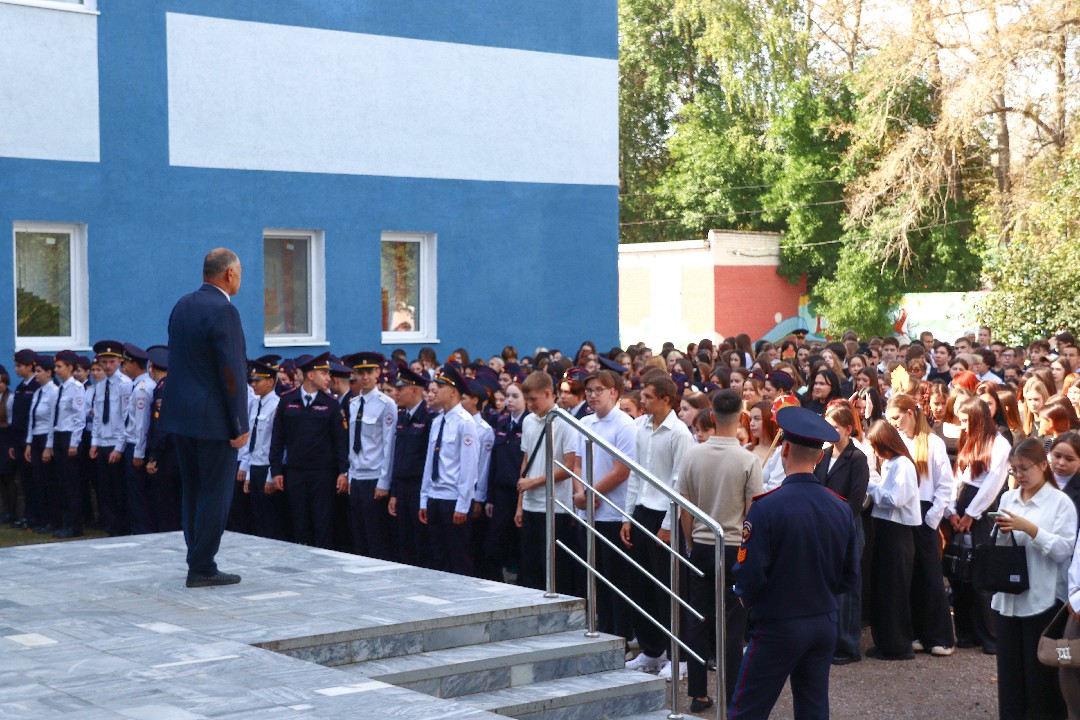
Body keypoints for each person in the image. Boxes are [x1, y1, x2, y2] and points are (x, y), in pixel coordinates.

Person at [728, 406, 858, 720]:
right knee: (813, 708)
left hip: (778, 622)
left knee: (747, 710)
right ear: (819, 457)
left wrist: (747, 598)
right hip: (823, 619)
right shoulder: (840, 508)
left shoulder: (766, 507)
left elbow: (749, 573)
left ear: (784, 450)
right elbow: (849, 574)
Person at [163, 249, 250, 586]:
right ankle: (202, 566)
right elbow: (231, 372)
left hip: (182, 417)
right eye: (239, 272)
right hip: (213, 420)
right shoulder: (224, 310)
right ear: (229, 273)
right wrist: (239, 423)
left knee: (193, 491)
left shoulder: (182, 305)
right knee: (215, 493)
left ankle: (196, 558)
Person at [677, 389, 762, 710]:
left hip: (701, 542)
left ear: (712, 415)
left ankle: (698, 692)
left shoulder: (693, 455)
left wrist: (690, 541)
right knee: (733, 623)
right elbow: (752, 512)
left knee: (698, 618)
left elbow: (685, 507)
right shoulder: (748, 460)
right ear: (740, 417)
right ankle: (732, 694)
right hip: (734, 545)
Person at [993, 439, 1076, 719]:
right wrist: (1002, 531)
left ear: (1042, 465)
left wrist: (1030, 529)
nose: (1019, 475)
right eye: (1014, 470)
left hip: (1043, 598)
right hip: (1008, 596)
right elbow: (1000, 547)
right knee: (1010, 675)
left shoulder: (1060, 502)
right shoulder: (1009, 498)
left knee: (1040, 676)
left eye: (1024, 468)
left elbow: (1063, 551)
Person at [623, 375, 694, 678]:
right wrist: (627, 517)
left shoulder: (679, 433)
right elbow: (635, 473)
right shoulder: (641, 426)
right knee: (641, 585)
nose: (643, 402)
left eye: (649, 397)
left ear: (666, 399)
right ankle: (652, 651)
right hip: (642, 511)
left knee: (670, 590)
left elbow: (678, 483)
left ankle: (680, 657)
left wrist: (667, 525)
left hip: (666, 516)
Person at [886, 393, 956, 657]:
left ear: (910, 413)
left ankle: (939, 636)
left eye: (896, 417)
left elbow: (945, 484)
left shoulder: (933, 442)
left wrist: (932, 518)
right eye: (890, 419)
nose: (894, 423)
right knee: (909, 573)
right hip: (904, 511)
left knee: (929, 573)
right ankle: (915, 632)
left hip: (925, 511)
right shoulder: (897, 442)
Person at [572, 369, 637, 640]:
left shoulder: (624, 424)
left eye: (599, 390)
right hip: (587, 510)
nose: (593, 395)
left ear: (614, 392)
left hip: (612, 512)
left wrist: (589, 493)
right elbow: (577, 464)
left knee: (616, 578)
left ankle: (621, 635)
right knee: (594, 575)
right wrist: (580, 492)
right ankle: (602, 628)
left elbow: (622, 471)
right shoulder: (585, 423)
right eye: (589, 390)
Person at [948, 396, 1012, 653]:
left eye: (966, 421)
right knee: (959, 570)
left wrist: (972, 514)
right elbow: (957, 476)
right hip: (961, 504)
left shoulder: (999, 443)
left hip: (980, 511)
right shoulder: (969, 440)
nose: (962, 426)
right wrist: (951, 511)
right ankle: (965, 632)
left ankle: (989, 635)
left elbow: (993, 483)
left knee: (980, 571)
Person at [269, 352, 349, 550]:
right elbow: (278, 438)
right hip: (295, 472)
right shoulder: (287, 400)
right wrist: (276, 470)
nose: (329, 378)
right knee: (299, 522)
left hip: (323, 474)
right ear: (311, 375)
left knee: (322, 523)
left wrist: (342, 471)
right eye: (324, 373)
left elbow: (340, 441)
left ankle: (322, 561)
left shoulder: (331, 404)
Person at [815, 401, 870, 664]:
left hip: (847, 527)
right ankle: (828, 640)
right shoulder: (823, 455)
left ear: (848, 429)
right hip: (824, 526)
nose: (830, 431)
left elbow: (856, 500)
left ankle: (848, 644)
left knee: (847, 588)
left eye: (835, 427)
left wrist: (832, 518)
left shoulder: (857, 458)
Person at [863, 420, 922, 660]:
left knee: (894, 589)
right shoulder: (890, 464)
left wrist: (869, 486)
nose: (875, 452)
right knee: (883, 588)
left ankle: (898, 645)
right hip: (885, 529)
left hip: (898, 532)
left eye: (876, 447)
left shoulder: (903, 465)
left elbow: (895, 499)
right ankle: (885, 641)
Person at [515, 370, 578, 593]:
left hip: (555, 507)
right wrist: (520, 504)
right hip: (531, 504)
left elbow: (569, 467)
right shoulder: (528, 421)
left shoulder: (565, 422)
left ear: (549, 393)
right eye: (527, 400)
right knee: (531, 568)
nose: (530, 405)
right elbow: (526, 461)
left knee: (555, 570)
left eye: (534, 399)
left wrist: (534, 482)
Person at [419, 364, 479, 576]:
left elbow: (469, 468)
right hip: (435, 496)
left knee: (458, 558)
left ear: (453, 392)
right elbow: (430, 462)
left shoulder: (465, 423)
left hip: (453, 499)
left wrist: (463, 504)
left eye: (441, 387)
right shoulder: (437, 422)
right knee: (438, 557)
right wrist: (424, 498)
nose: (435, 390)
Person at [342, 352, 398, 561]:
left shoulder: (386, 404)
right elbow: (352, 441)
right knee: (358, 534)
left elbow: (389, 445)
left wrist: (384, 481)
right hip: (357, 476)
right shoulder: (353, 403)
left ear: (377, 373)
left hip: (374, 477)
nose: (365, 377)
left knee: (376, 536)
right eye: (361, 373)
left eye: (369, 372)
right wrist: (350, 474)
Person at [388, 362, 436, 569]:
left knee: (421, 542)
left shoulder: (429, 418)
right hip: (403, 487)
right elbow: (398, 457)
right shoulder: (402, 417)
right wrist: (394, 493)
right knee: (403, 540)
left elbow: (428, 460)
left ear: (415, 390)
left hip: (419, 488)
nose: (396, 394)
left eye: (400, 389)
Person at [236, 359, 284, 540]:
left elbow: (276, 443)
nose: (253, 384)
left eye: (258, 380)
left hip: (267, 468)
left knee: (270, 520)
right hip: (255, 467)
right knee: (257, 518)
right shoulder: (255, 403)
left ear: (271, 381)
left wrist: (271, 475)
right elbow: (251, 438)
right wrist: (247, 471)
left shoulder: (277, 405)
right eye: (252, 380)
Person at [89, 340, 132, 537]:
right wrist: (94, 442)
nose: (107, 366)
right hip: (103, 443)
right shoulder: (99, 386)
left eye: (111, 362)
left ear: (119, 362)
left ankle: (122, 527)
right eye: (104, 362)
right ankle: (111, 526)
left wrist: (119, 448)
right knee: (105, 489)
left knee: (119, 489)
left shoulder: (125, 384)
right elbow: (98, 417)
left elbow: (126, 418)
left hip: (117, 443)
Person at [50, 350, 86, 538]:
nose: (56, 370)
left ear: (70, 367)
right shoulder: (60, 389)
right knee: (62, 482)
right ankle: (66, 522)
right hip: (59, 436)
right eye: (55, 366)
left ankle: (75, 525)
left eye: (59, 366)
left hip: (69, 437)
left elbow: (79, 418)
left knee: (71, 484)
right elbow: (54, 418)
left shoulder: (76, 388)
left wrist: (74, 443)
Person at [24, 355, 58, 534]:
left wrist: (48, 446)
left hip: (46, 438)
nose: (36, 374)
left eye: (39, 371)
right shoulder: (38, 392)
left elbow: (53, 420)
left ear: (49, 372)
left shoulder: (54, 391)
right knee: (38, 480)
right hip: (36, 437)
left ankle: (53, 519)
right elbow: (32, 419)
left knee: (49, 481)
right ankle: (42, 518)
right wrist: (29, 443)